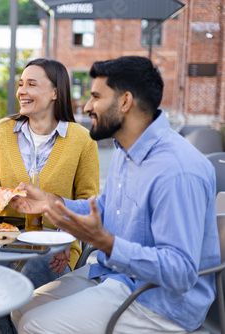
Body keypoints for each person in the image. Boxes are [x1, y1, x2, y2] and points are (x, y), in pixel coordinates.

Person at [11, 56, 220, 333]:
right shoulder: (125, 149)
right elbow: (106, 209)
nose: (86, 107)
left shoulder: (177, 170)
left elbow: (180, 272)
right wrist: (54, 203)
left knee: (35, 324)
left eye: (96, 96)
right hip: (114, 274)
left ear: (124, 102)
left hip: (160, 304)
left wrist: (108, 244)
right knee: (21, 305)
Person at [0, 58, 99, 287]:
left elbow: (88, 202)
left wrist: (63, 238)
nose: (22, 91)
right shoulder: (3, 130)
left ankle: (20, 324)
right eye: (21, 84)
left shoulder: (82, 140)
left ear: (55, 92)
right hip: (3, 237)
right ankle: (10, 325)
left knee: (26, 271)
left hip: (54, 246)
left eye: (31, 84)